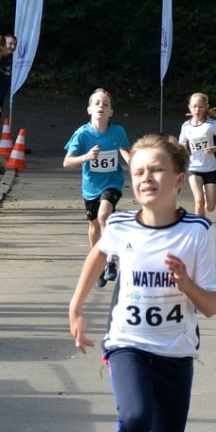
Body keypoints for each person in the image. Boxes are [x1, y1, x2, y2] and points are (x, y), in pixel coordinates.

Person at [68, 134, 216, 432]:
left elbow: (210, 306)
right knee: (135, 419)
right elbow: (97, 256)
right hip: (128, 344)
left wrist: (185, 282)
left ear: (179, 179)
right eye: (138, 172)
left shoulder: (197, 233)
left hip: (175, 352)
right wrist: (76, 307)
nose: (146, 178)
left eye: (156, 170)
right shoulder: (120, 225)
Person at [64, 88, 131, 286]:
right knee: (94, 225)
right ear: (89, 109)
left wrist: (134, 164)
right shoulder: (82, 134)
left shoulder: (118, 132)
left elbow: (124, 150)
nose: (101, 106)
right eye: (97, 103)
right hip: (91, 186)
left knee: (104, 216)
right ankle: (99, 263)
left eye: (105, 104)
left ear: (111, 111)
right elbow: (67, 162)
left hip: (113, 182)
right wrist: (86, 157)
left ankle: (111, 261)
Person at [177, 92, 216, 217]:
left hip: (211, 167)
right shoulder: (186, 126)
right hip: (193, 168)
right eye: (194, 106)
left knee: (210, 207)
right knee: (199, 201)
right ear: (189, 107)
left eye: (200, 106)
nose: (197, 109)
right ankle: (199, 228)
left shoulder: (211, 124)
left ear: (206, 107)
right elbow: (181, 144)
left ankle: (207, 194)